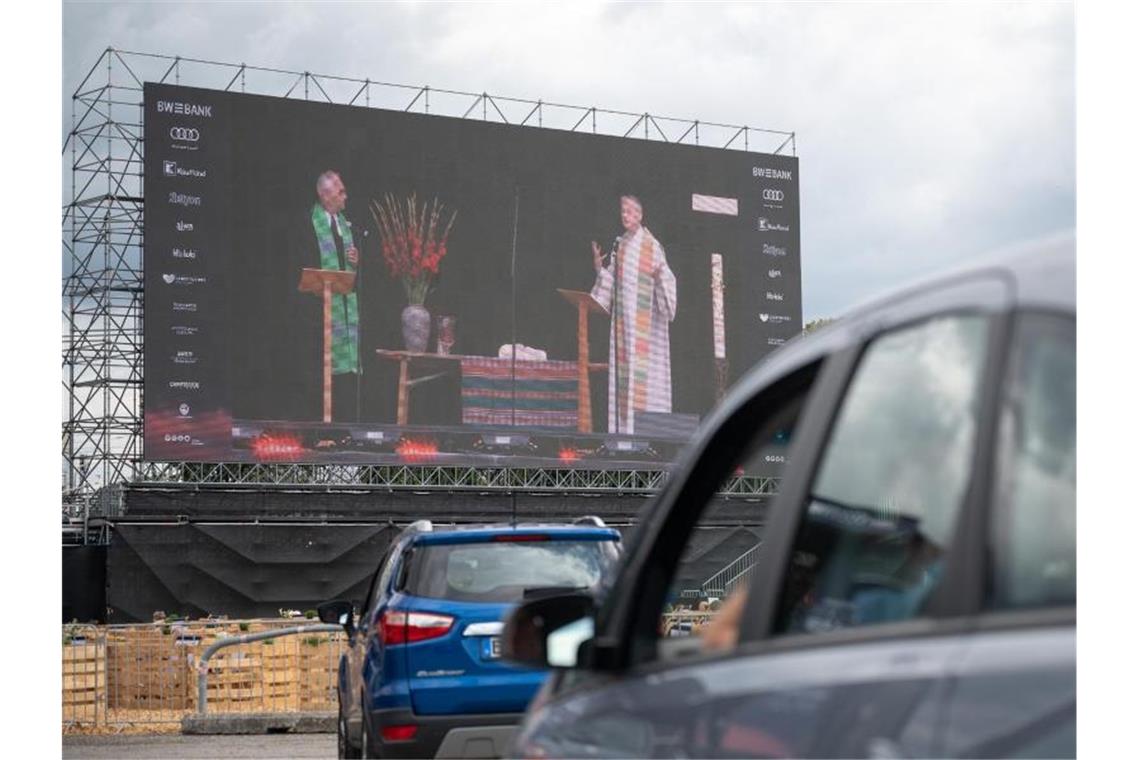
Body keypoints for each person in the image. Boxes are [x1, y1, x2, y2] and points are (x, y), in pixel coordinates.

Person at [590, 195, 677, 434]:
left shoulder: (652, 246)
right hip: (623, 326)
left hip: (645, 330)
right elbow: (611, 278)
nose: (625, 215)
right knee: (624, 378)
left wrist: (659, 276)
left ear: (640, 215)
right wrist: (599, 268)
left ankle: (647, 434)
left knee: (645, 382)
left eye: (629, 211)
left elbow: (667, 279)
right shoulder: (621, 244)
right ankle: (624, 434)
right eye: (623, 211)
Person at [309, 170, 360, 422]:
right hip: (317, 310)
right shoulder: (311, 223)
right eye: (340, 192)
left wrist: (356, 261)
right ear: (324, 195)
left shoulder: (344, 226)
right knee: (320, 366)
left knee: (345, 371)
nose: (345, 197)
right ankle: (321, 427)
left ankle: (343, 425)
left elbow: (348, 268)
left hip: (343, 305)